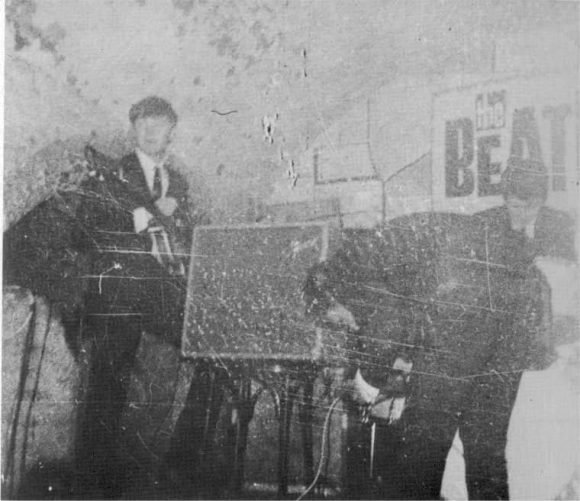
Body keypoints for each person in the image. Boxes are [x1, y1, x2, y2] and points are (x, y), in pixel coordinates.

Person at [75, 96, 197, 497]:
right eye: (143, 123)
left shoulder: (178, 182)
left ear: (171, 132)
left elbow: (186, 237)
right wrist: (141, 216)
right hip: (120, 292)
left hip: (161, 292)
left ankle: (183, 466)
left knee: (209, 349)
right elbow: (89, 228)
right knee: (109, 384)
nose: (150, 131)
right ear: (133, 129)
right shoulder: (112, 173)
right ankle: (94, 484)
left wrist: (175, 223)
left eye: (159, 124)